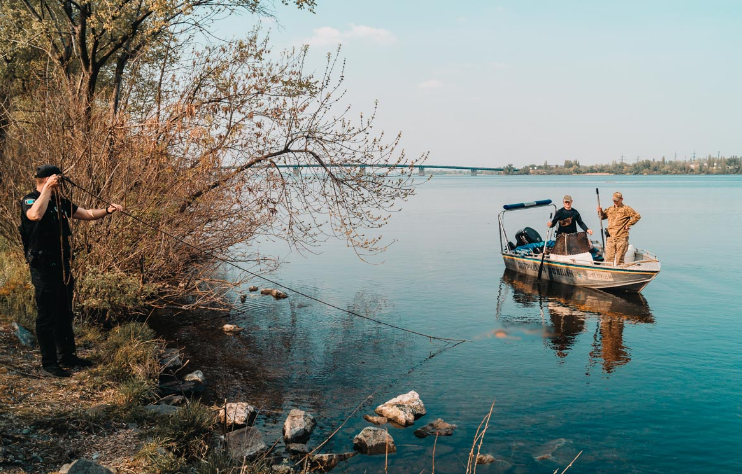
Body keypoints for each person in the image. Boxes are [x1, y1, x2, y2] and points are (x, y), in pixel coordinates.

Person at [19, 165, 124, 377]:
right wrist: (47, 188)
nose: (61, 186)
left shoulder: (61, 202)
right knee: (47, 315)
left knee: (64, 312)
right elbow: (35, 215)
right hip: (42, 267)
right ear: (49, 179)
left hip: (63, 266)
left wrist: (107, 210)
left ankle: (67, 356)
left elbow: (85, 213)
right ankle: (49, 363)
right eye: (58, 181)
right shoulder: (30, 199)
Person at [597, 191, 641, 265]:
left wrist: (628, 224)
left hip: (621, 237)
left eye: (617, 200)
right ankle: (609, 274)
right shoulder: (610, 209)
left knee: (619, 260)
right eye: (614, 200)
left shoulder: (626, 208)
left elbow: (637, 216)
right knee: (608, 260)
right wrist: (600, 212)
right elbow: (602, 217)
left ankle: (620, 275)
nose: (615, 202)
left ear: (621, 199)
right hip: (610, 238)